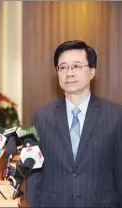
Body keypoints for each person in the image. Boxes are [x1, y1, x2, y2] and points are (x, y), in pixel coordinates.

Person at [25, 40, 122, 207]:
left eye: (76, 66)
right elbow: (34, 173)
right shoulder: (42, 116)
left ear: (92, 71)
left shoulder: (115, 115)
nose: (69, 73)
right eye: (63, 67)